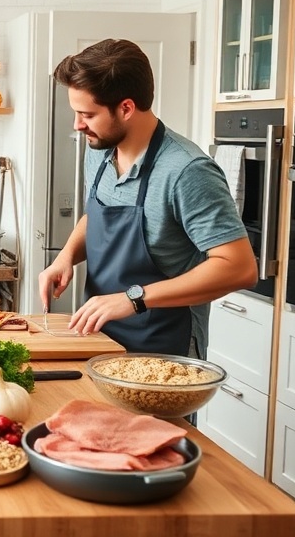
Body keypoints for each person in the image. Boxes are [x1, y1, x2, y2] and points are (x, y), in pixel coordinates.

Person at [38, 39, 257, 359]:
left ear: (126, 108)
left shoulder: (187, 171)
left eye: (87, 114)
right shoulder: (98, 150)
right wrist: (66, 257)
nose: (77, 125)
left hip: (165, 346)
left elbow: (238, 267)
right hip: (100, 338)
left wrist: (133, 298)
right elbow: (97, 216)